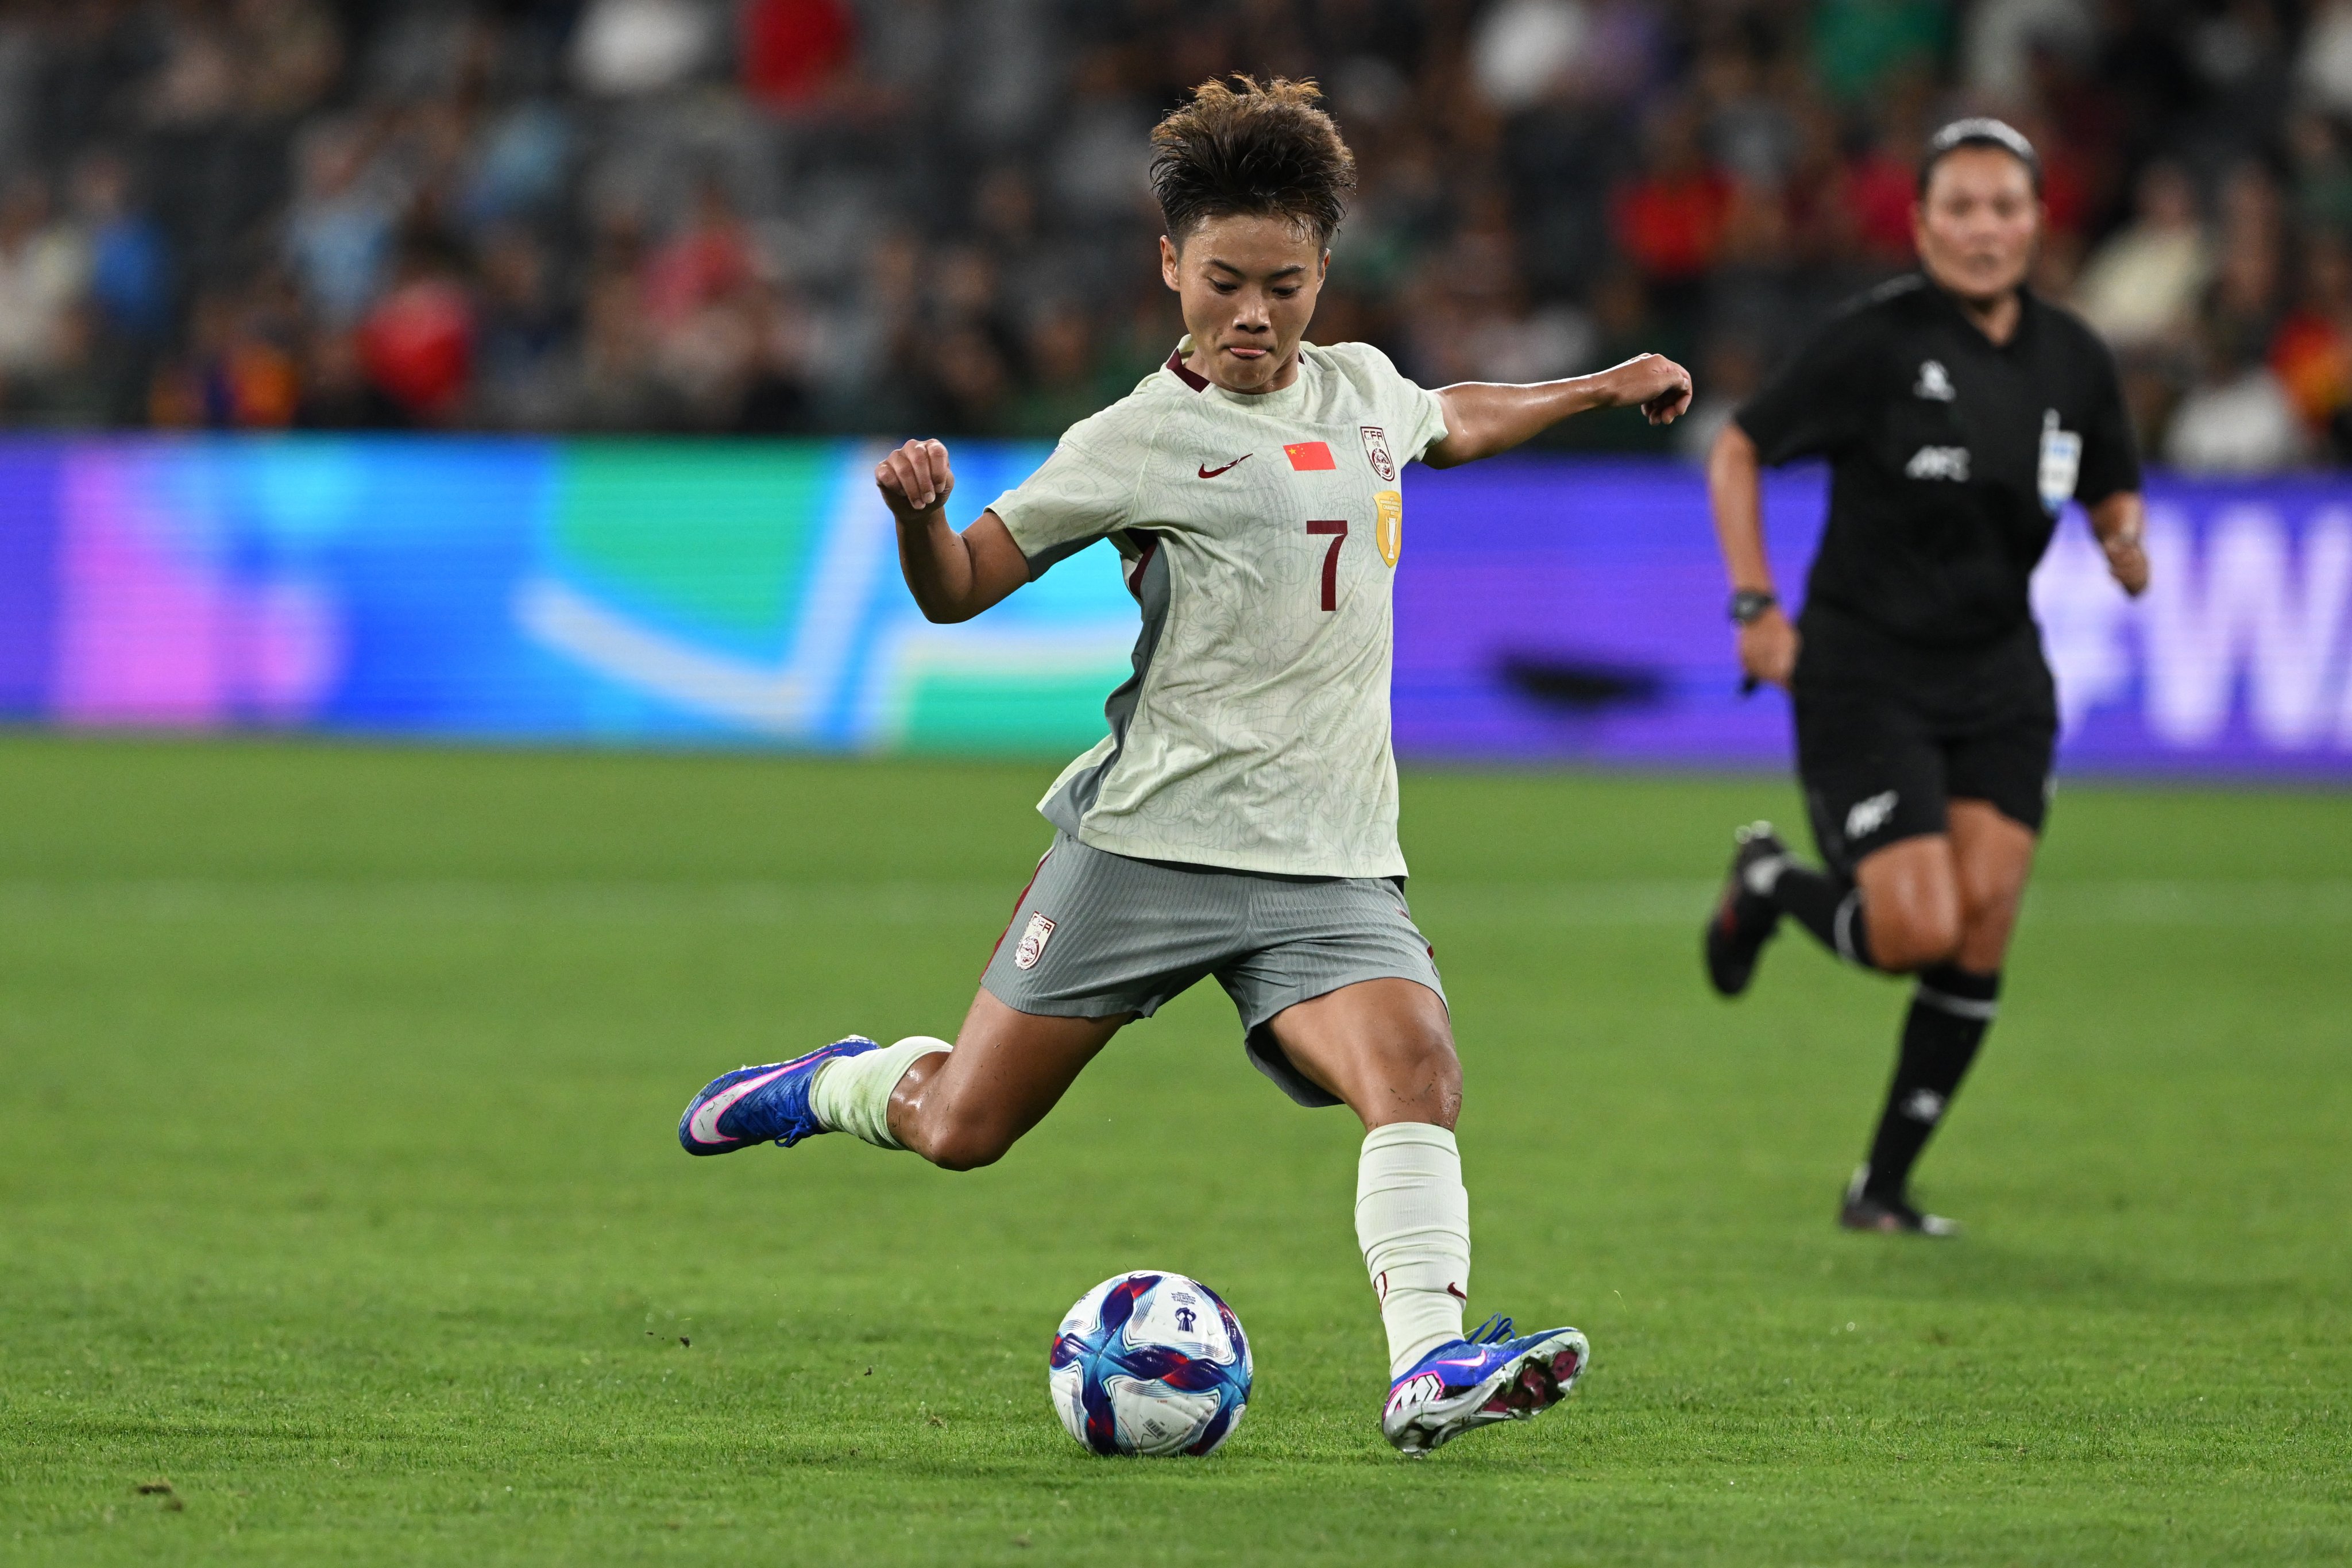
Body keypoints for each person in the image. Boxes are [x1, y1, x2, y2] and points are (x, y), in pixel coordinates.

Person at [675, 76, 1692, 1456]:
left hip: (1329, 858)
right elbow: (962, 585)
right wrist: (921, 521)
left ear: (1324, 270)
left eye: (1283, 283)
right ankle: (842, 1082)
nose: (1253, 316)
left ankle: (1427, 1362)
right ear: (1168, 266)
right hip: (1148, 845)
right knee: (966, 1127)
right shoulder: (1132, 440)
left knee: (1417, 1071)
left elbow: (1455, 415)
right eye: (1222, 283)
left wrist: (1599, 385)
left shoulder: (1362, 388)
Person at [1700, 119, 2150, 1236]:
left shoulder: (2073, 359)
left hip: (2000, 674)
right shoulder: (1873, 343)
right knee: (1912, 930)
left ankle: (1881, 1190)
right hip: (1865, 670)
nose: (1983, 228)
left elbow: (2107, 482)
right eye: (1959, 207)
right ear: (1919, 222)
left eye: (2004, 206)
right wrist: (1756, 604)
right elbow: (1737, 448)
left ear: (2036, 221)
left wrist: (2119, 533)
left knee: (1981, 924)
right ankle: (1765, 884)